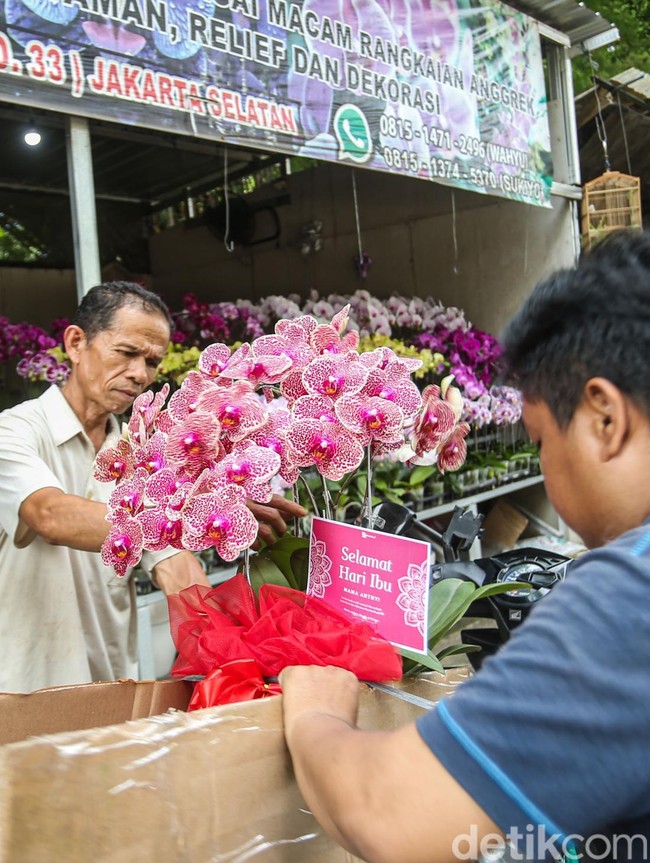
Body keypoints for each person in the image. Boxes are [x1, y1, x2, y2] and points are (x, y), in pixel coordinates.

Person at [280, 229, 650, 863]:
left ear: (604, 418)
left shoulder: (627, 597)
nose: (544, 466)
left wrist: (314, 715)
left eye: (539, 440)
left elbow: (386, 814)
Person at [0, 281, 304, 692]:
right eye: (126, 353)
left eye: (152, 361)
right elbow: (48, 515)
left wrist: (235, 660)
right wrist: (188, 513)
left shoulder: (143, 452)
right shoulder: (13, 431)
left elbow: (177, 568)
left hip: (108, 693)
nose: (140, 374)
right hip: (20, 695)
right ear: (75, 343)